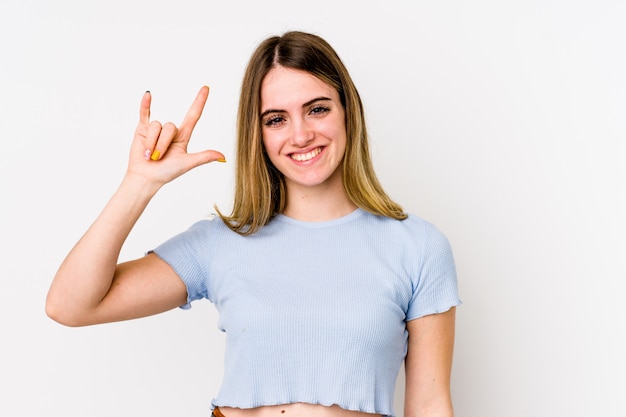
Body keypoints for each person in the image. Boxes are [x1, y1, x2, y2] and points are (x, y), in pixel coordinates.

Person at [46, 31, 461, 417]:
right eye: (276, 119)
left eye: (317, 109)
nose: (300, 135)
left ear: (347, 111)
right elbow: (70, 305)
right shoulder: (219, 243)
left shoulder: (418, 247)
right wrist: (139, 184)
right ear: (257, 134)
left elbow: (429, 403)